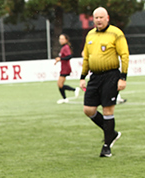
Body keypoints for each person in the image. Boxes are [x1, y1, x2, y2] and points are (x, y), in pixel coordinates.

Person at [80, 7, 129, 158]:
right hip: (94, 77)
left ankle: (107, 146)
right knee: (88, 110)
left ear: (107, 18)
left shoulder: (116, 33)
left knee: (108, 111)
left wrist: (123, 77)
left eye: (101, 17)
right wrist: (82, 77)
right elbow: (87, 58)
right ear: (93, 19)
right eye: (96, 18)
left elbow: (124, 55)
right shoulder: (90, 34)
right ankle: (111, 133)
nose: (99, 20)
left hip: (111, 76)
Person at [54, 34, 79, 104]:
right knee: (60, 84)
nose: (60, 40)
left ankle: (73, 91)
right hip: (63, 68)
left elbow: (70, 56)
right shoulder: (63, 47)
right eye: (60, 39)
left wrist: (60, 59)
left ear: (66, 40)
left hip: (66, 68)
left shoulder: (66, 47)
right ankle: (67, 96)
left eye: (62, 39)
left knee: (59, 84)